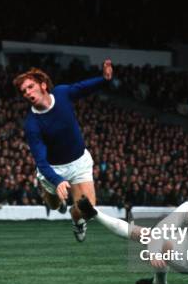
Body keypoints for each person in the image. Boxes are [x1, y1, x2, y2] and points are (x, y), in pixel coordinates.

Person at [13, 59, 113, 241]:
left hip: (79, 162)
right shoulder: (32, 125)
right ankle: (50, 194)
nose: (27, 93)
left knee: (87, 207)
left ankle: (77, 222)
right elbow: (41, 161)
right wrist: (57, 181)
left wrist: (104, 79)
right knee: (53, 206)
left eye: (30, 87)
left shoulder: (61, 93)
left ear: (43, 85)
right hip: (53, 169)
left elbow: (83, 88)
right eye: (24, 91)